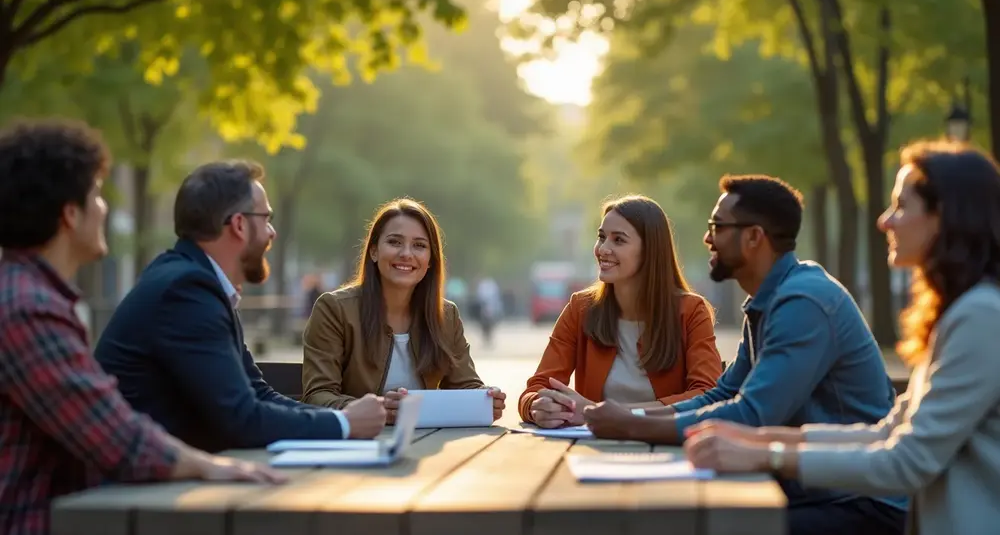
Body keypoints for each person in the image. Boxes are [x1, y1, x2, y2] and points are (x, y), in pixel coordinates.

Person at [684, 142, 1000, 535]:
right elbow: (888, 430)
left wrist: (765, 455)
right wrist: (758, 439)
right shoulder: (963, 311)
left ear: (945, 218)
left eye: (901, 206)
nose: (885, 221)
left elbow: (907, 461)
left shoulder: (980, 316)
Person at [0, 119, 283, 535]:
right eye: (96, 195)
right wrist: (210, 467)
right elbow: (115, 435)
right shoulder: (26, 308)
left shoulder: (30, 296)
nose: (104, 208)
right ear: (70, 214)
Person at [582, 177, 906, 535]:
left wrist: (630, 426)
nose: (708, 238)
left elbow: (751, 415)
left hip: (860, 502)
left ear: (754, 237)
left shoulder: (803, 302)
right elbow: (724, 394)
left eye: (717, 227)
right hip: (813, 488)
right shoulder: (772, 299)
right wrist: (629, 414)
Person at [95, 160, 386, 453]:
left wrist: (340, 418)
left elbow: (257, 394)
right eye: (266, 218)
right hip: (125, 490)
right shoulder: (187, 291)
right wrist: (345, 424)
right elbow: (242, 419)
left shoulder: (197, 281)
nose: (272, 232)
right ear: (239, 224)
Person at [518, 195, 723, 428]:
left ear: (650, 251)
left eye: (618, 240)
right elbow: (538, 387)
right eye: (602, 238)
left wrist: (604, 413)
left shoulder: (691, 312)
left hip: (667, 449)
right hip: (592, 450)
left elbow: (707, 396)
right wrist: (537, 407)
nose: (603, 249)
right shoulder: (580, 308)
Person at [301, 198, 506, 423]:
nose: (407, 254)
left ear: (430, 261)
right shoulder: (334, 309)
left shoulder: (446, 315)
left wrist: (485, 399)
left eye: (419, 245)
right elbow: (317, 396)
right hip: (359, 442)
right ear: (374, 252)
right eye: (394, 242)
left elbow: (465, 385)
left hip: (430, 442)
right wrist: (378, 410)